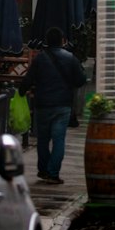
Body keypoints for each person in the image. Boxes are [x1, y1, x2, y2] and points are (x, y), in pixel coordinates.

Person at [24, 26, 86, 183]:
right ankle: (53, 173)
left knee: (43, 140)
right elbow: (80, 80)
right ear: (62, 41)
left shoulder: (40, 58)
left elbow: (28, 79)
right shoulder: (70, 58)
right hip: (62, 105)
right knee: (59, 139)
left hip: (42, 105)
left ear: (46, 42)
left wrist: (21, 91)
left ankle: (43, 170)